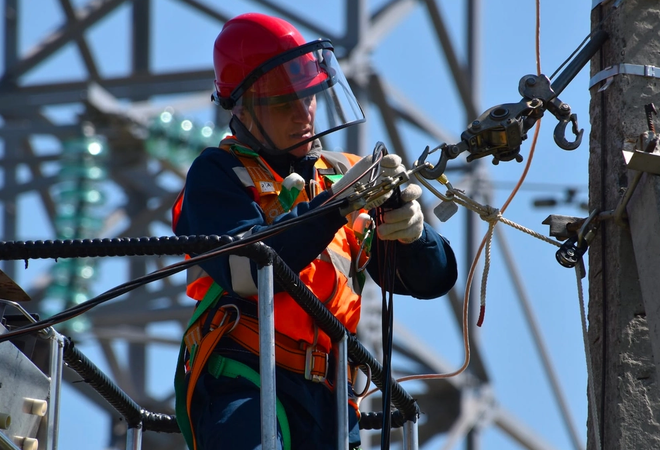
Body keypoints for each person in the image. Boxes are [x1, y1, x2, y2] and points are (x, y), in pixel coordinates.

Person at [172, 12, 458, 450]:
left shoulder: (342, 173)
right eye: (283, 103)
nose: (302, 114)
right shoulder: (218, 173)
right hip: (247, 376)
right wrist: (335, 207)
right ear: (243, 108)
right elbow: (246, 271)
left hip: (332, 401)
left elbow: (429, 280)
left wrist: (415, 235)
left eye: (308, 98)